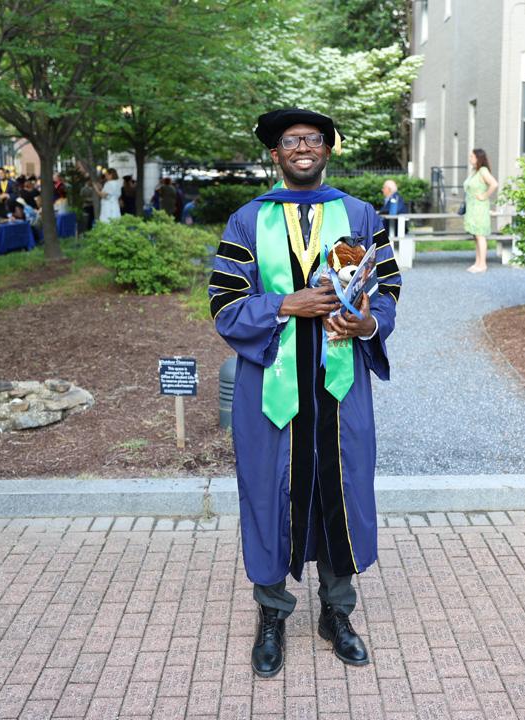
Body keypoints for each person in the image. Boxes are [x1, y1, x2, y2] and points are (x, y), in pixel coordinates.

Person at [209, 108, 402, 679]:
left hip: (339, 387)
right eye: (292, 140)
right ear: (276, 153)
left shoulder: (361, 215)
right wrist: (284, 304)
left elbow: (386, 290)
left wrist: (365, 325)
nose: (303, 147)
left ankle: (337, 613)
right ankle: (271, 615)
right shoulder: (247, 220)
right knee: (268, 493)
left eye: (313, 139)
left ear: (327, 150)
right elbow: (223, 303)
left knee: (341, 489)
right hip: (271, 386)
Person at [463, 148, 499, 273]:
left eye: (472, 156)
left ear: (478, 158)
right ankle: (477, 262)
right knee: (475, 236)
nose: (470, 159)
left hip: (479, 208)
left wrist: (484, 195)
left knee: (480, 235)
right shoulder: (474, 171)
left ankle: (482, 264)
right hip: (472, 208)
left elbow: (494, 184)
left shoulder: (483, 171)